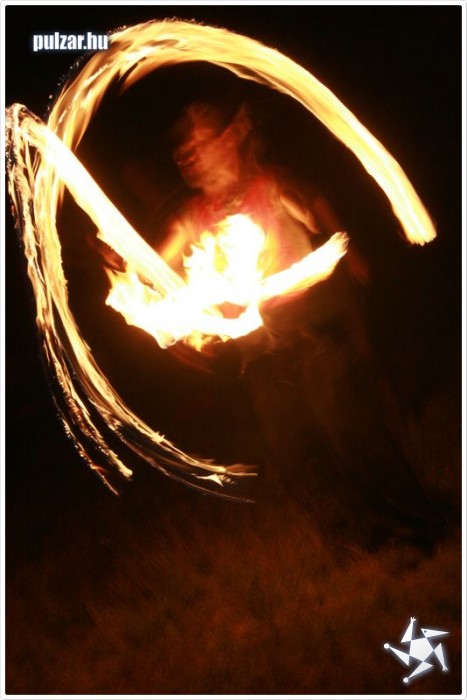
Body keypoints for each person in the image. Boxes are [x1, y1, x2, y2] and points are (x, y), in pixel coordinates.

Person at [158, 100, 443, 551]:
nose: (188, 156)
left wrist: (342, 247)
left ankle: (416, 526)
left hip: (309, 326)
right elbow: (160, 260)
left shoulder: (267, 184)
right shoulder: (194, 214)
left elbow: (309, 203)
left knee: (351, 429)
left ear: (229, 140)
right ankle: (353, 541)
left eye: (199, 143)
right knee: (294, 448)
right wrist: (129, 270)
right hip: (258, 347)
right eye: (183, 151)